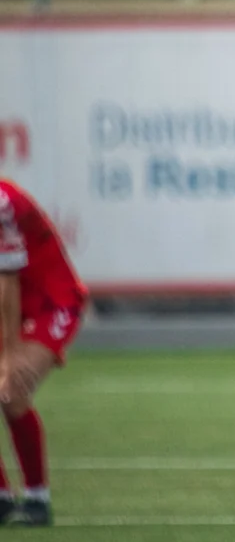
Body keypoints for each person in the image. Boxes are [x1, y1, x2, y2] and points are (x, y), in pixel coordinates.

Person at [0, 178, 88, 527]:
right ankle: (3, 499)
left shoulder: (2, 202)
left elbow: (7, 282)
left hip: (52, 302)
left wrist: (9, 355)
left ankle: (37, 499)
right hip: (15, 305)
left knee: (11, 390)